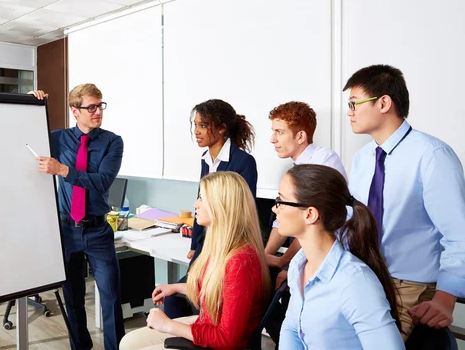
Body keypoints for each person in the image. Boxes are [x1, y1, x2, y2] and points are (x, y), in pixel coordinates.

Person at [344, 64, 465, 339]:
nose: (349, 112)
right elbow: (354, 220)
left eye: (353, 103)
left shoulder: (432, 155)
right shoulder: (363, 159)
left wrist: (445, 299)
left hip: (409, 286)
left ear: (384, 103)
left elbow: (459, 234)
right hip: (364, 274)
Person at [120, 171, 269, 350]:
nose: (195, 204)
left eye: (201, 198)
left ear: (220, 206)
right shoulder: (220, 247)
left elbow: (228, 339)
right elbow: (216, 292)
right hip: (207, 325)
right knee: (128, 343)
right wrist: (176, 287)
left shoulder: (240, 261)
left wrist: (168, 325)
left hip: (220, 342)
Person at [29, 84, 125, 350]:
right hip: (66, 230)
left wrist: (63, 170)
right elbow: (24, 138)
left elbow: (102, 181)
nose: (97, 112)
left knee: (111, 297)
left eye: (100, 105)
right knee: (72, 299)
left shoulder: (112, 141)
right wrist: (29, 104)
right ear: (75, 111)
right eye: (91, 107)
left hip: (97, 231)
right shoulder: (59, 139)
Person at [276, 164, 404, 349]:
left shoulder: (354, 281)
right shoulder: (299, 263)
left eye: (281, 201)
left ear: (310, 214)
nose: (275, 209)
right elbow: (292, 328)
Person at [165, 99, 258, 319]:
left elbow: (241, 211)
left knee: (202, 301)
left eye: (203, 125)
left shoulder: (244, 162)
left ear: (221, 128)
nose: (196, 131)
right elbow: (201, 201)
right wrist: (195, 244)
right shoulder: (206, 160)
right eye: (195, 125)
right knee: (175, 298)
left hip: (227, 246)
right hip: (206, 246)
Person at [265, 101, 347, 289]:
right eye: (273, 131)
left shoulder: (324, 161)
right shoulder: (293, 169)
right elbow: (282, 219)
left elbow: (314, 224)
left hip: (326, 262)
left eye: (280, 132)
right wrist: (264, 257)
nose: (272, 139)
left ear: (300, 136)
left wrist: (284, 261)